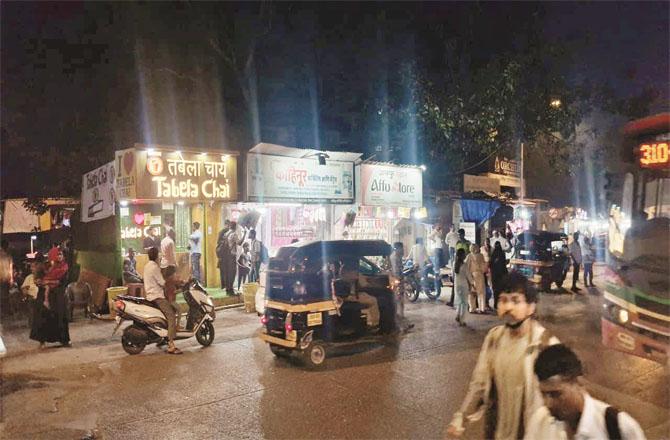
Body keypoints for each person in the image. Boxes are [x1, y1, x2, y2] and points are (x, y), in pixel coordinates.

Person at [446, 271, 559, 440]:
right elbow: (480, 384)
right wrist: (461, 417)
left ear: (531, 307)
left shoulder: (546, 344)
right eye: (503, 300)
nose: (508, 307)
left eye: (516, 300)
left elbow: (562, 400)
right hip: (497, 433)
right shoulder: (494, 337)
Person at [526, 344, 646, 440]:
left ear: (578, 382)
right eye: (543, 394)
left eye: (556, 394)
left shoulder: (619, 427)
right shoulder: (539, 422)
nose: (548, 403)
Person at [144, 247, 181, 354]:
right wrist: (171, 283)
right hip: (157, 297)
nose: (159, 257)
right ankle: (171, 344)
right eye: (159, 255)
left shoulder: (147, 266)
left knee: (166, 315)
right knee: (171, 316)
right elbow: (162, 282)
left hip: (150, 295)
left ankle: (162, 338)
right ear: (156, 256)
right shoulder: (155, 267)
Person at [32, 249, 70, 347]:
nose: (59, 257)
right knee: (43, 318)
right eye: (57, 255)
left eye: (61, 254)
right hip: (45, 296)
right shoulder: (45, 266)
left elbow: (61, 282)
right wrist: (42, 282)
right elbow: (37, 280)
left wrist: (48, 282)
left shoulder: (64, 267)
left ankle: (64, 340)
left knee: (60, 317)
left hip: (58, 296)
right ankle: (42, 341)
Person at [225, 221, 247, 295]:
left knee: (228, 273)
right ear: (235, 227)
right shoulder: (234, 234)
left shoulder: (227, 234)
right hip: (232, 256)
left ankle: (228, 289)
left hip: (227, 255)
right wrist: (244, 234)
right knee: (232, 273)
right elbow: (239, 243)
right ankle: (230, 290)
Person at [465, 244, 487, 313]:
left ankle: (472, 308)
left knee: (471, 293)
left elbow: (466, 266)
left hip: (472, 276)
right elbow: (484, 267)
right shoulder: (481, 256)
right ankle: (482, 308)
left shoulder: (469, 256)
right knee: (481, 293)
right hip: (480, 275)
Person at [453, 248, 470, 326]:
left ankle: (457, 315)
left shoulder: (454, 264)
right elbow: (468, 276)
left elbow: (453, 276)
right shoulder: (464, 265)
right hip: (464, 285)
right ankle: (462, 320)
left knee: (459, 302)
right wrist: (473, 283)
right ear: (462, 255)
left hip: (457, 285)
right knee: (464, 303)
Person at [160, 229, 178, 303]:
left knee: (165, 284)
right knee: (171, 285)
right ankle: (171, 301)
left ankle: (165, 299)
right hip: (169, 265)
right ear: (172, 234)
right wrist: (175, 263)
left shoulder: (163, 241)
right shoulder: (171, 242)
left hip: (163, 264)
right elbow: (172, 255)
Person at [490, 241, 508, 309]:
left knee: (495, 290)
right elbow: (504, 265)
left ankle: (496, 304)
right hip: (501, 276)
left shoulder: (493, 254)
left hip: (495, 276)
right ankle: (500, 304)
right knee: (501, 290)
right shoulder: (502, 254)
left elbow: (490, 264)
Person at [216, 220, 232, 290]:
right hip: (222, 254)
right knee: (223, 271)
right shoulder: (222, 232)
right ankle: (223, 285)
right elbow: (218, 242)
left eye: (229, 225)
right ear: (225, 225)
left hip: (228, 255)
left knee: (228, 271)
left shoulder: (230, 232)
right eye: (227, 225)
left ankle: (227, 285)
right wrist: (224, 241)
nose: (228, 227)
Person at [430, 226, 444, 296]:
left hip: (440, 248)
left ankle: (438, 270)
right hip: (437, 248)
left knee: (439, 261)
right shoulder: (435, 232)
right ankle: (437, 270)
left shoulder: (439, 232)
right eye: (438, 226)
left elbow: (441, 237)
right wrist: (434, 240)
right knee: (437, 261)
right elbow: (430, 237)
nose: (439, 227)